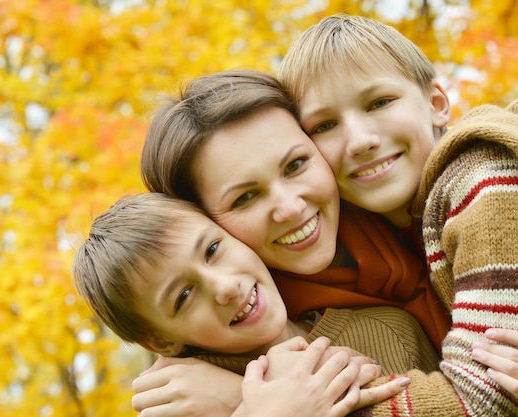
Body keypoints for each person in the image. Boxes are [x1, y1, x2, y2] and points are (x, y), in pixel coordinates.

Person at [135, 68, 454, 417]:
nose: (290, 208)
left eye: (296, 165)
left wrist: (239, 397)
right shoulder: (223, 353)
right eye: (244, 198)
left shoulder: (421, 200)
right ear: (205, 219)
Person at [276, 13, 518, 415]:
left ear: (437, 103)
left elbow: (481, 401)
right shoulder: (375, 233)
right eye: (324, 125)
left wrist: (267, 400)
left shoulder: (484, 183)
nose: (359, 141)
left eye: (379, 102)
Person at [73, 192, 416, 417]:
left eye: (212, 250)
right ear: (162, 341)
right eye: (183, 296)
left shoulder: (385, 328)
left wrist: (240, 398)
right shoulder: (181, 408)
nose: (225, 287)